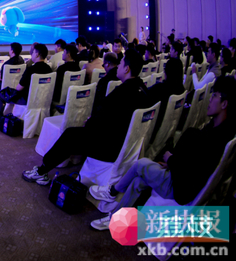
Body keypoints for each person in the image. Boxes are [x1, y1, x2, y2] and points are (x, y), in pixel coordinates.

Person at [89, 76, 236, 230]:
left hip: (180, 187)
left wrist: (171, 160)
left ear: (224, 103)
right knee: (138, 181)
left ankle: (112, 192)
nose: (210, 99)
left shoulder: (217, 139)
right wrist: (173, 162)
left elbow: (194, 171)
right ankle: (116, 219)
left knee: (140, 164)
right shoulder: (220, 129)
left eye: (214, 95)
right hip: (179, 177)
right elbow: (192, 162)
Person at [22, 49, 149, 185]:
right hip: (128, 145)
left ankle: (42, 171)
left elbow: (101, 118)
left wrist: (89, 122)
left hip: (110, 147)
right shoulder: (143, 89)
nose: (117, 66)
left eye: (121, 64)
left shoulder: (121, 92)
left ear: (127, 69)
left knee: (70, 135)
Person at [0, 43, 51, 129]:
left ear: (37, 54)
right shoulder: (49, 69)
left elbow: (19, 88)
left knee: (2, 94)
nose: (32, 54)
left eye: (33, 52)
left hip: (27, 99)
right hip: (43, 99)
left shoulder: (30, 70)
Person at [146, 58, 185, 142]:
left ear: (166, 72)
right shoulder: (182, 90)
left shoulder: (160, 89)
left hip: (153, 134)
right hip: (168, 131)